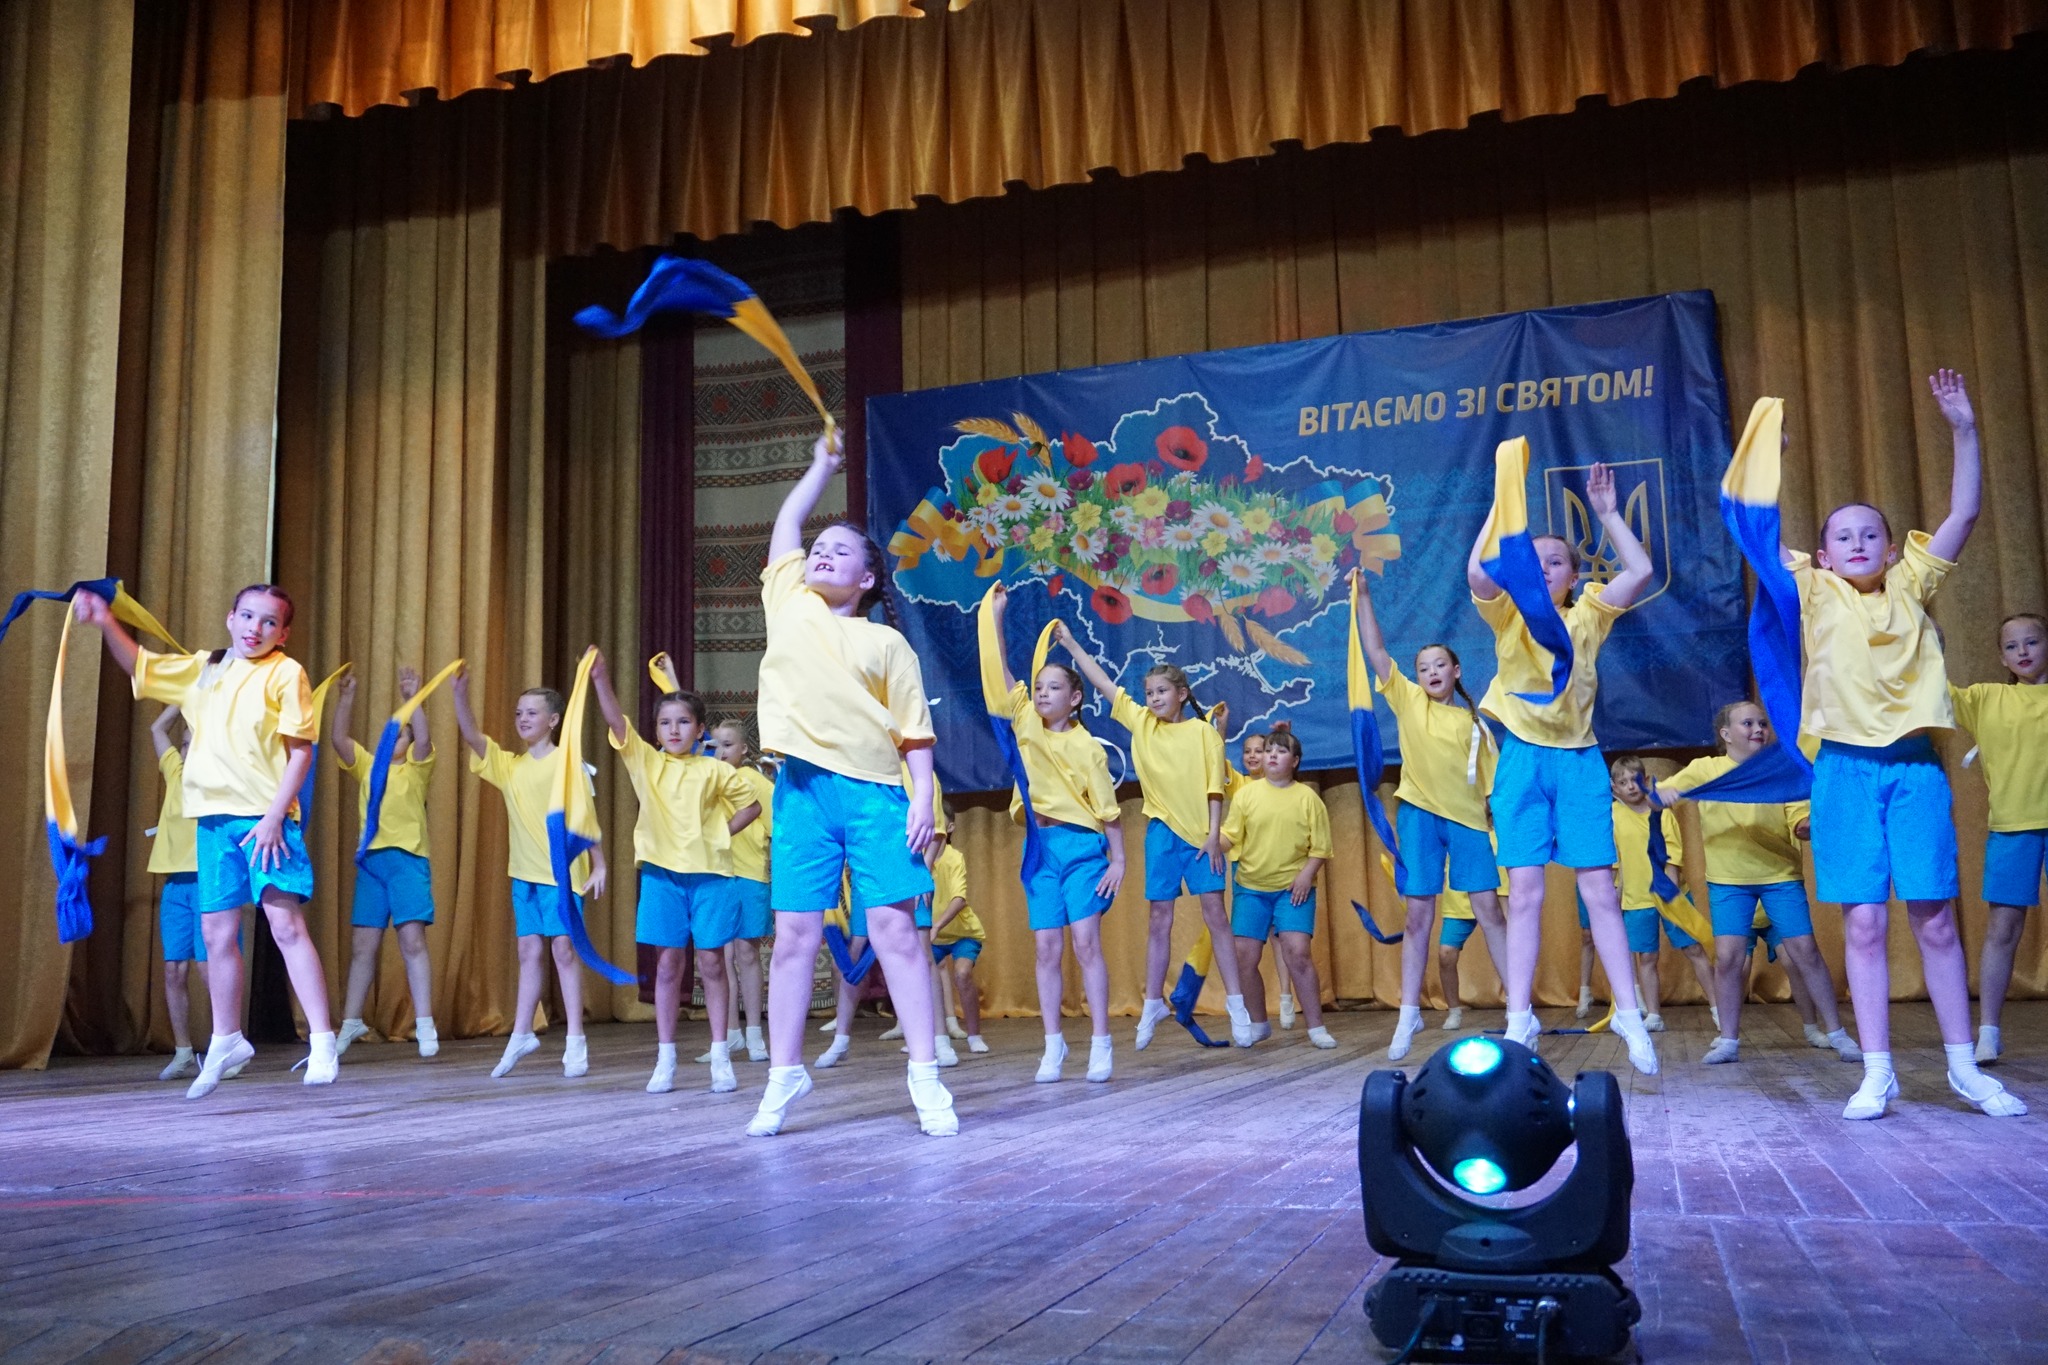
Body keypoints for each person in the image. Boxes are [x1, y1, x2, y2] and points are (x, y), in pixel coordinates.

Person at [1786, 368, 2019, 1118]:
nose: (1857, 542)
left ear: (1891, 550)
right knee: (1862, 921)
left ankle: (1963, 1068)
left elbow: (1966, 512)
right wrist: (1767, 461)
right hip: (1844, 772)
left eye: (1870, 534)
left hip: (1914, 770)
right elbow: (1750, 531)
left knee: (1935, 918)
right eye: (1842, 535)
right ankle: (1877, 1072)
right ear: (1825, 555)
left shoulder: (1911, 585)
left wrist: (1964, 429)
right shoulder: (1814, 590)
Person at [746, 430, 955, 1138]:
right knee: (793, 936)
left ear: (867, 579)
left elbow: (915, 734)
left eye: (841, 549)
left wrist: (922, 799)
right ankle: (783, 1075)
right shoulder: (790, 602)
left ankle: (924, 1074)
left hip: (874, 795)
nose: (823, 552)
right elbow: (786, 525)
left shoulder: (886, 642)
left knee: (896, 932)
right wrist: (819, 468)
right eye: (819, 547)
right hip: (802, 792)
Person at [77, 584, 336, 1097]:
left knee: (285, 925)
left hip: (265, 822)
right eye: (247, 616)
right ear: (230, 618)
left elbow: (301, 752)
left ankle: (324, 1041)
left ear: (283, 633)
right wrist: (105, 621)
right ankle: (226, 1039)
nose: (255, 628)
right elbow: (141, 666)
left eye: (269, 622)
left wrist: (274, 817)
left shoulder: (286, 673)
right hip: (213, 823)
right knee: (217, 935)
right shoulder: (204, 668)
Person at [1467, 460, 1660, 1073]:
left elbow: (1641, 571)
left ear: (1574, 576)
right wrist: (1501, 506)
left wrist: (1608, 514)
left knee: (1599, 888)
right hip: (1522, 760)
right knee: (1524, 892)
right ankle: (1518, 1017)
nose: (1546, 567)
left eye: (1557, 561)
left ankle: (1629, 1013)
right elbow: (1477, 571)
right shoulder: (1507, 612)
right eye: (1535, 560)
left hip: (1578, 760)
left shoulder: (1589, 613)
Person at [1058, 644, 1254, 1049]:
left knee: (1216, 915)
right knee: (1159, 919)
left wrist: (1213, 835)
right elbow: (1103, 682)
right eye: (1149, 693)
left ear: (1181, 693)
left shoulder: (1203, 732)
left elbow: (1215, 788)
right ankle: (1151, 1005)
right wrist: (1070, 644)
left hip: (1201, 836)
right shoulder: (1142, 722)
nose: (1154, 699)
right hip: (1161, 833)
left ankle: (1237, 1005)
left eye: (1162, 691)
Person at [591, 653, 760, 1095]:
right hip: (662, 877)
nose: (674, 730)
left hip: (711, 877)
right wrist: (601, 679)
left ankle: (721, 1054)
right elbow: (617, 723)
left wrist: (720, 834)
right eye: (665, 723)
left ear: (700, 730)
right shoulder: (647, 762)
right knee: (668, 964)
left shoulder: (715, 769)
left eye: (684, 722)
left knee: (712, 963)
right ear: (656, 731)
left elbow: (752, 806)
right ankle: (665, 1058)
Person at [1656, 701, 1859, 1064]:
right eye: (1747, 723)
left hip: (1779, 877)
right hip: (1728, 882)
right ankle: (1728, 1040)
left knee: (1806, 953)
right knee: (1728, 960)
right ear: (1725, 734)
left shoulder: (1781, 771)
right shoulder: (1706, 769)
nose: (1758, 729)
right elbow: (1657, 798)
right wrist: (1661, 796)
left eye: (1763, 723)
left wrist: (1816, 823)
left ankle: (1837, 1034)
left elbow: (1800, 821)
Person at [1352, 570, 1502, 1059]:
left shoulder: (1477, 726)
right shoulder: (1409, 701)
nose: (1431, 672)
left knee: (1490, 911)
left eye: (1440, 665)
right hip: (1418, 816)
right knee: (1418, 917)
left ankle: (1519, 1010)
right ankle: (1409, 1014)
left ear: (1456, 671)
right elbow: (1376, 651)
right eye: (1423, 667)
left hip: (1468, 824)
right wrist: (1364, 597)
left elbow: (1494, 792)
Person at [984, 605, 1123, 1082]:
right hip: (1040, 849)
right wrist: (996, 618)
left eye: (1054, 687)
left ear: (1075, 698)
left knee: (1085, 943)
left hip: (1081, 849)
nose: (1042, 693)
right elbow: (1000, 672)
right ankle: (1053, 1044)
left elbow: (1109, 812)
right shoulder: (1024, 721)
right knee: (1046, 947)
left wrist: (1118, 861)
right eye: (1039, 686)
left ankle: (1101, 1042)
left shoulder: (1087, 747)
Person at [451, 669, 608, 1079]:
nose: (523, 719)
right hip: (524, 875)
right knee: (528, 951)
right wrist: (459, 696)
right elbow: (472, 736)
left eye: (532, 713)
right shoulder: (509, 766)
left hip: (563, 875)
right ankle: (521, 1034)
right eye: (519, 713)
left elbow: (585, 816)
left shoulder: (568, 763)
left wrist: (600, 862)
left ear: (553, 720)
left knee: (563, 950)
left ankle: (576, 1039)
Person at [331, 667, 439, 1058]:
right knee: (363, 946)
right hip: (371, 865)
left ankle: (424, 1023)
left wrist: (412, 700)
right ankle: (351, 1021)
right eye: (390, 732)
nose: (395, 736)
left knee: (412, 941)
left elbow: (424, 738)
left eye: (401, 733)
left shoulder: (416, 769)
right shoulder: (368, 765)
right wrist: (346, 698)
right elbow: (339, 739)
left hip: (407, 862)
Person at [1953, 613, 2048, 1062]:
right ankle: (1988, 1032)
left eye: (2032, 641)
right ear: (2002, 658)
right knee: (2003, 929)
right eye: (2012, 646)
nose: (2023, 652)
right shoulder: (1986, 698)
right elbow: (1926, 687)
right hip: (2013, 826)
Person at [1220, 725, 1335, 1047]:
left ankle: (1316, 1028)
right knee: (1243, 957)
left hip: (1293, 890)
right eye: (1269, 749)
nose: (1271, 755)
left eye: (1281, 751)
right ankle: (1259, 1023)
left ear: (1295, 761)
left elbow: (1321, 848)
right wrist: (1210, 844)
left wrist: (1306, 875)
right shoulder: (1246, 795)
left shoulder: (1308, 798)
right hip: (1251, 888)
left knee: (1298, 953)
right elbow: (1230, 836)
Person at [1607, 755, 1718, 1031]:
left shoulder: (1662, 813)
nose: (1630, 786)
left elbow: (1672, 855)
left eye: (1635, 780)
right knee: (1646, 958)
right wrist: (1616, 892)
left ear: (1645, 780)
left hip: (1670, 894)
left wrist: (1672, 894)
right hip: (1636, 900)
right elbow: (1617, 860)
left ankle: (1719, 1009)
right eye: (1623, 782)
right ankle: (1654, 1015)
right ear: (1614, 787)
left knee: (1693, 948)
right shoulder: (1613, 816)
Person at [709, 720, 774, 1062]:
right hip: (715, 876)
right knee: (719, 957)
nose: (720, 752)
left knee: (747, 954)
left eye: (728, 745)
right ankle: (729, 1035)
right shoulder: (706, 780)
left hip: (749, 875)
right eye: (715, 746)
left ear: (744, 749)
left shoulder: (754, 781)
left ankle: (754, 1034)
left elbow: (777, 829)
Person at [147, 705, 206, 1079]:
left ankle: (229, 1045)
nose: (185, 751)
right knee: (174, 968)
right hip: (175, 886)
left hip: (207, 883)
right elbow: (157, 728)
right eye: (184, 744)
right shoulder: (175, 773)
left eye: (193, 744)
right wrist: (184, 698)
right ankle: (183, 1051)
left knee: (210, 968)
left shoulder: (218, 787)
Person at [930, 834, 988, 1053]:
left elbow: (959, 899)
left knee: (962, 974)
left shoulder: (954, 858)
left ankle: (974, 1036)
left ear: (950, 827)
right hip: (932, 937)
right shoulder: (919, 859)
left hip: (963, 933)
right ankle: (931, 1039)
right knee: (920, 980)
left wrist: (937, 926)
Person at [1435, 875, 1510, 1031]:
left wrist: (1504, 897)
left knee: (1508, 951)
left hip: (1492, 894)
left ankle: (1515, 1004)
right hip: (1458, 901)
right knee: (1446, 954)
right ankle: (1454, 1012)